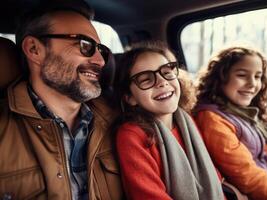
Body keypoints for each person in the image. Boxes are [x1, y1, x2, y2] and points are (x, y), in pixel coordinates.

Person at [0, 2, 123, 199]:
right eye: (85, 46)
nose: (100, 61)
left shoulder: (118, 122)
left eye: (101, 50)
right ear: (34, 49)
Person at [113, 43, 224, 200]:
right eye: (146, 79)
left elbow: (211, 175)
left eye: (167, 72)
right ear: (130, 98)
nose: (162, 82)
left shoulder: (186, 121)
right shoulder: (131, 135)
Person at [193, 46, 267, 199]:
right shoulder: (212, 119)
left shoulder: (242, 112)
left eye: (258, 76)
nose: (252, 84)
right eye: (242, 75)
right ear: (220, 77)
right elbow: (245, 175)